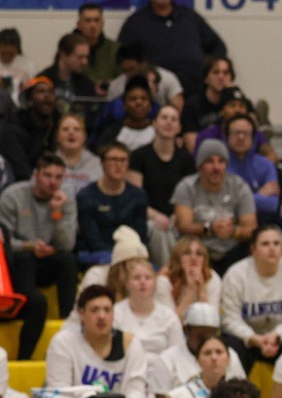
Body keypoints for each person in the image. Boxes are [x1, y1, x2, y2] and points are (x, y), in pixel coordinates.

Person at [45, 284, 155, 398]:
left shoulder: (130, 344)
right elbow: (58, 393)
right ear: (81, 314)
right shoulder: (63, 342)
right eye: (94, 310)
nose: (102, 316)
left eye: (107, 310)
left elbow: (137, 392)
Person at [0, 153, 78, 358]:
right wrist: (30, 246)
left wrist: (56, 213)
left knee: (68, 261)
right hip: (18, 263)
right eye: (47, 175)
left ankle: (67, 319)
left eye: (58, 177)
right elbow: (3, 243)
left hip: (47, 262)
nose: (53, 182)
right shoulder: (13, 196)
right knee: (27, 262)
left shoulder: (64, 201)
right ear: (36, 174)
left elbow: (66, 244)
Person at [117, 0, 229, 100]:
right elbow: (123, 60)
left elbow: (218, 47)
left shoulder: (190, 17)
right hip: (157, 96)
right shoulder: (135, 23)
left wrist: (209, 69)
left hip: (196, 94)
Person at [219, 225, 282, 373]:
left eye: (276, 243)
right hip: (247, 341)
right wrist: (254, 338)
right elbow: (229, 319)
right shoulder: (236, 274)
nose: (272, 248)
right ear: (253, 249)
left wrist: (277, 335)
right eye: (265, 244)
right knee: (229, 345)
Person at [172, 139, 257, 272]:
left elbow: (251, 227)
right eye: (210, 161)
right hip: (198, 251)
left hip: (233, 251)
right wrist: (210, 228)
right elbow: (183, 225)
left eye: (221, 161)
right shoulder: (186, 187)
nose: (216, 167)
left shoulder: (239, 187)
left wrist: (232, 231)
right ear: (199, 166)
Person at [130, 103, 196, 263]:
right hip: (147, 218)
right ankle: (169, 274)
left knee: (174, 228)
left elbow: (191, 197)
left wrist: (175, 216)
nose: (168, 122)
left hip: (177, 217)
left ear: (179, 127)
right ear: (154, 123)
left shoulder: (186, 160)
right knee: (160, 230)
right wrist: (157, 216)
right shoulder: (139, 156)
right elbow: (134, 197)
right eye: (164, 118)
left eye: (173, 119)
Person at [75, 142, 148, 264]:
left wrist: (129, 252)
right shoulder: (86, 196)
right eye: (113, 160)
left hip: (130, 252)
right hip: (96, 253)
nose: (118, 165)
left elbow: (141, 235)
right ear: (102, 163)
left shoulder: (138, 195)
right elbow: (92, 238)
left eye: (123, 160)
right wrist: (119, 256)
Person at [112, 256, 183, 361]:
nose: (143, 282)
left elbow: (178, 355)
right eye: (136, 278)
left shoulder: (168, 316)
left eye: (148, 278)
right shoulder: (116, 313)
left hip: (160, 373)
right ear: (127, 283)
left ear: (155, 283)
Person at [180, 57, 244, 144]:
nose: (221, 77)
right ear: (206, 79)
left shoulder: (239, 99)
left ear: (231, 78)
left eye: (225, 73)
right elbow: (192, 144)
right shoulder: (193, 105)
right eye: (215, 72)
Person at [163, 234, 222, 323]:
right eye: (187, 253)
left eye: (199, 254)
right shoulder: (164, 280)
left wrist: (201, 291)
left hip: (199, 332)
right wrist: (190, 292)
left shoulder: (212, 279)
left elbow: (211, 323)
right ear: (177, 257)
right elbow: (168, 325)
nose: (193, 258)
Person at [38, 31, 97, 113]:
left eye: (86, 57)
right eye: (80, 57)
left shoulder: (86, 84)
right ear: (63, 54)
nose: (85, 62)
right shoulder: (42, 80)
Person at [98, 77, 157, 151]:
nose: (139, 103)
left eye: (143, 99)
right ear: (124, 105)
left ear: (150, 105)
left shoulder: (158, 134)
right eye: (133, 99)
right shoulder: (111, 135)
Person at [54, 113, 101, 197]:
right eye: (65, 129)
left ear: (84, 137)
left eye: (77, 129)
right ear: (57, 137)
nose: (71, 133)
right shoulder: (47, 163)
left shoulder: (99, 164)